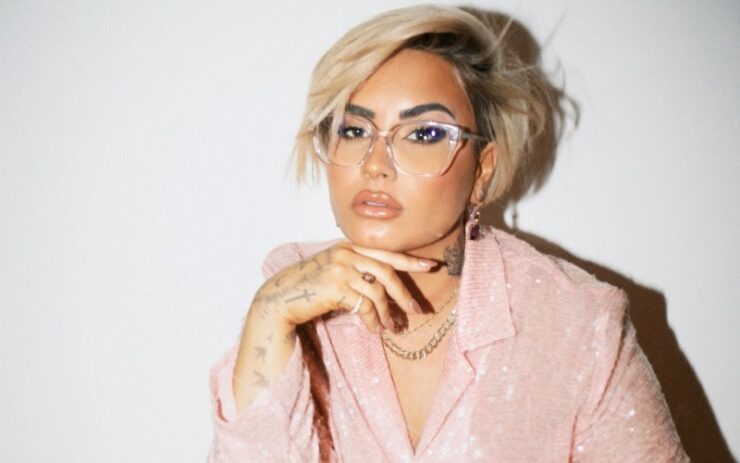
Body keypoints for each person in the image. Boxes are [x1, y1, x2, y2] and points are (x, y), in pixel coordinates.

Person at [207, 5, 688, 462]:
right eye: (354, 130)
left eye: (424, 134)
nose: (375, 164)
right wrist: (269, 314)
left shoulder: (576, 325)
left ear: (482, 169)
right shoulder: (296, 304)